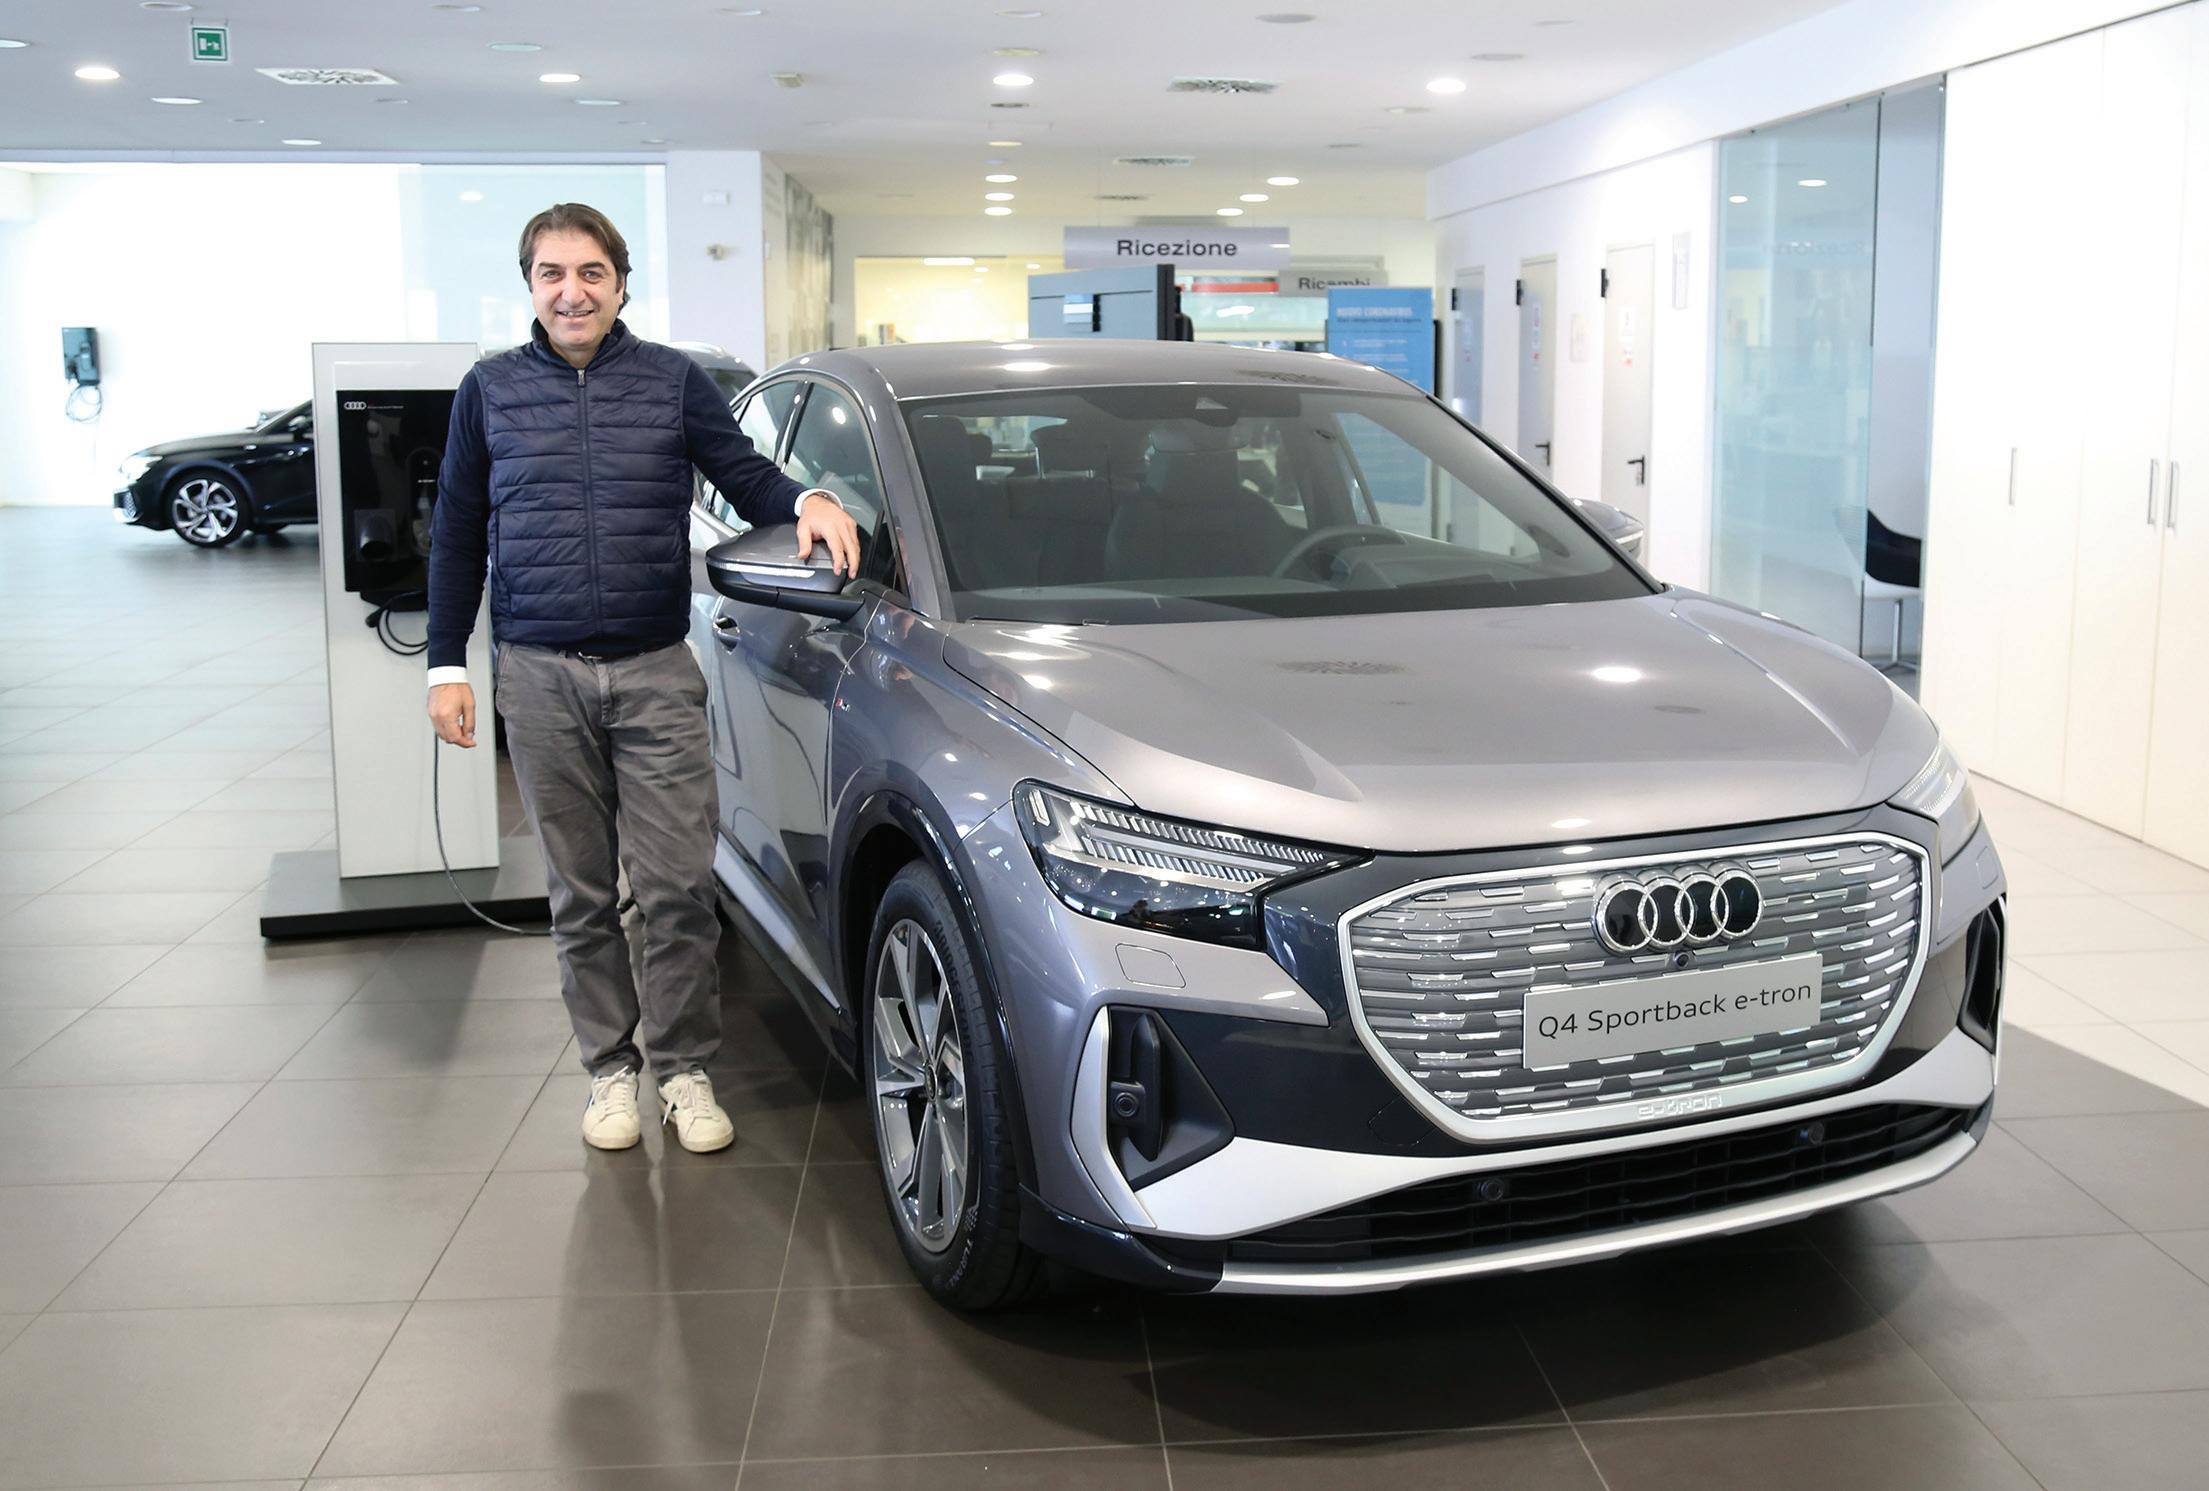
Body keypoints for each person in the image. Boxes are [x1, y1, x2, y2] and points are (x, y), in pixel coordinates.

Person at [426, 202, 861, 1153]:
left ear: (621, 284)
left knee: (675, 888)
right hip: (538, 675)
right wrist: (446, 663)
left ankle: (683, 1068)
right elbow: (455, 533)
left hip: (656, 671)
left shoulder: (669, 381)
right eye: (552, 273)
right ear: (530, 286)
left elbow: (744, 476)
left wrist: (810, 500)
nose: (571, 291)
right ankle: (609, 1071)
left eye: (590, 272)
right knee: (581, 894)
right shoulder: (489, 390)